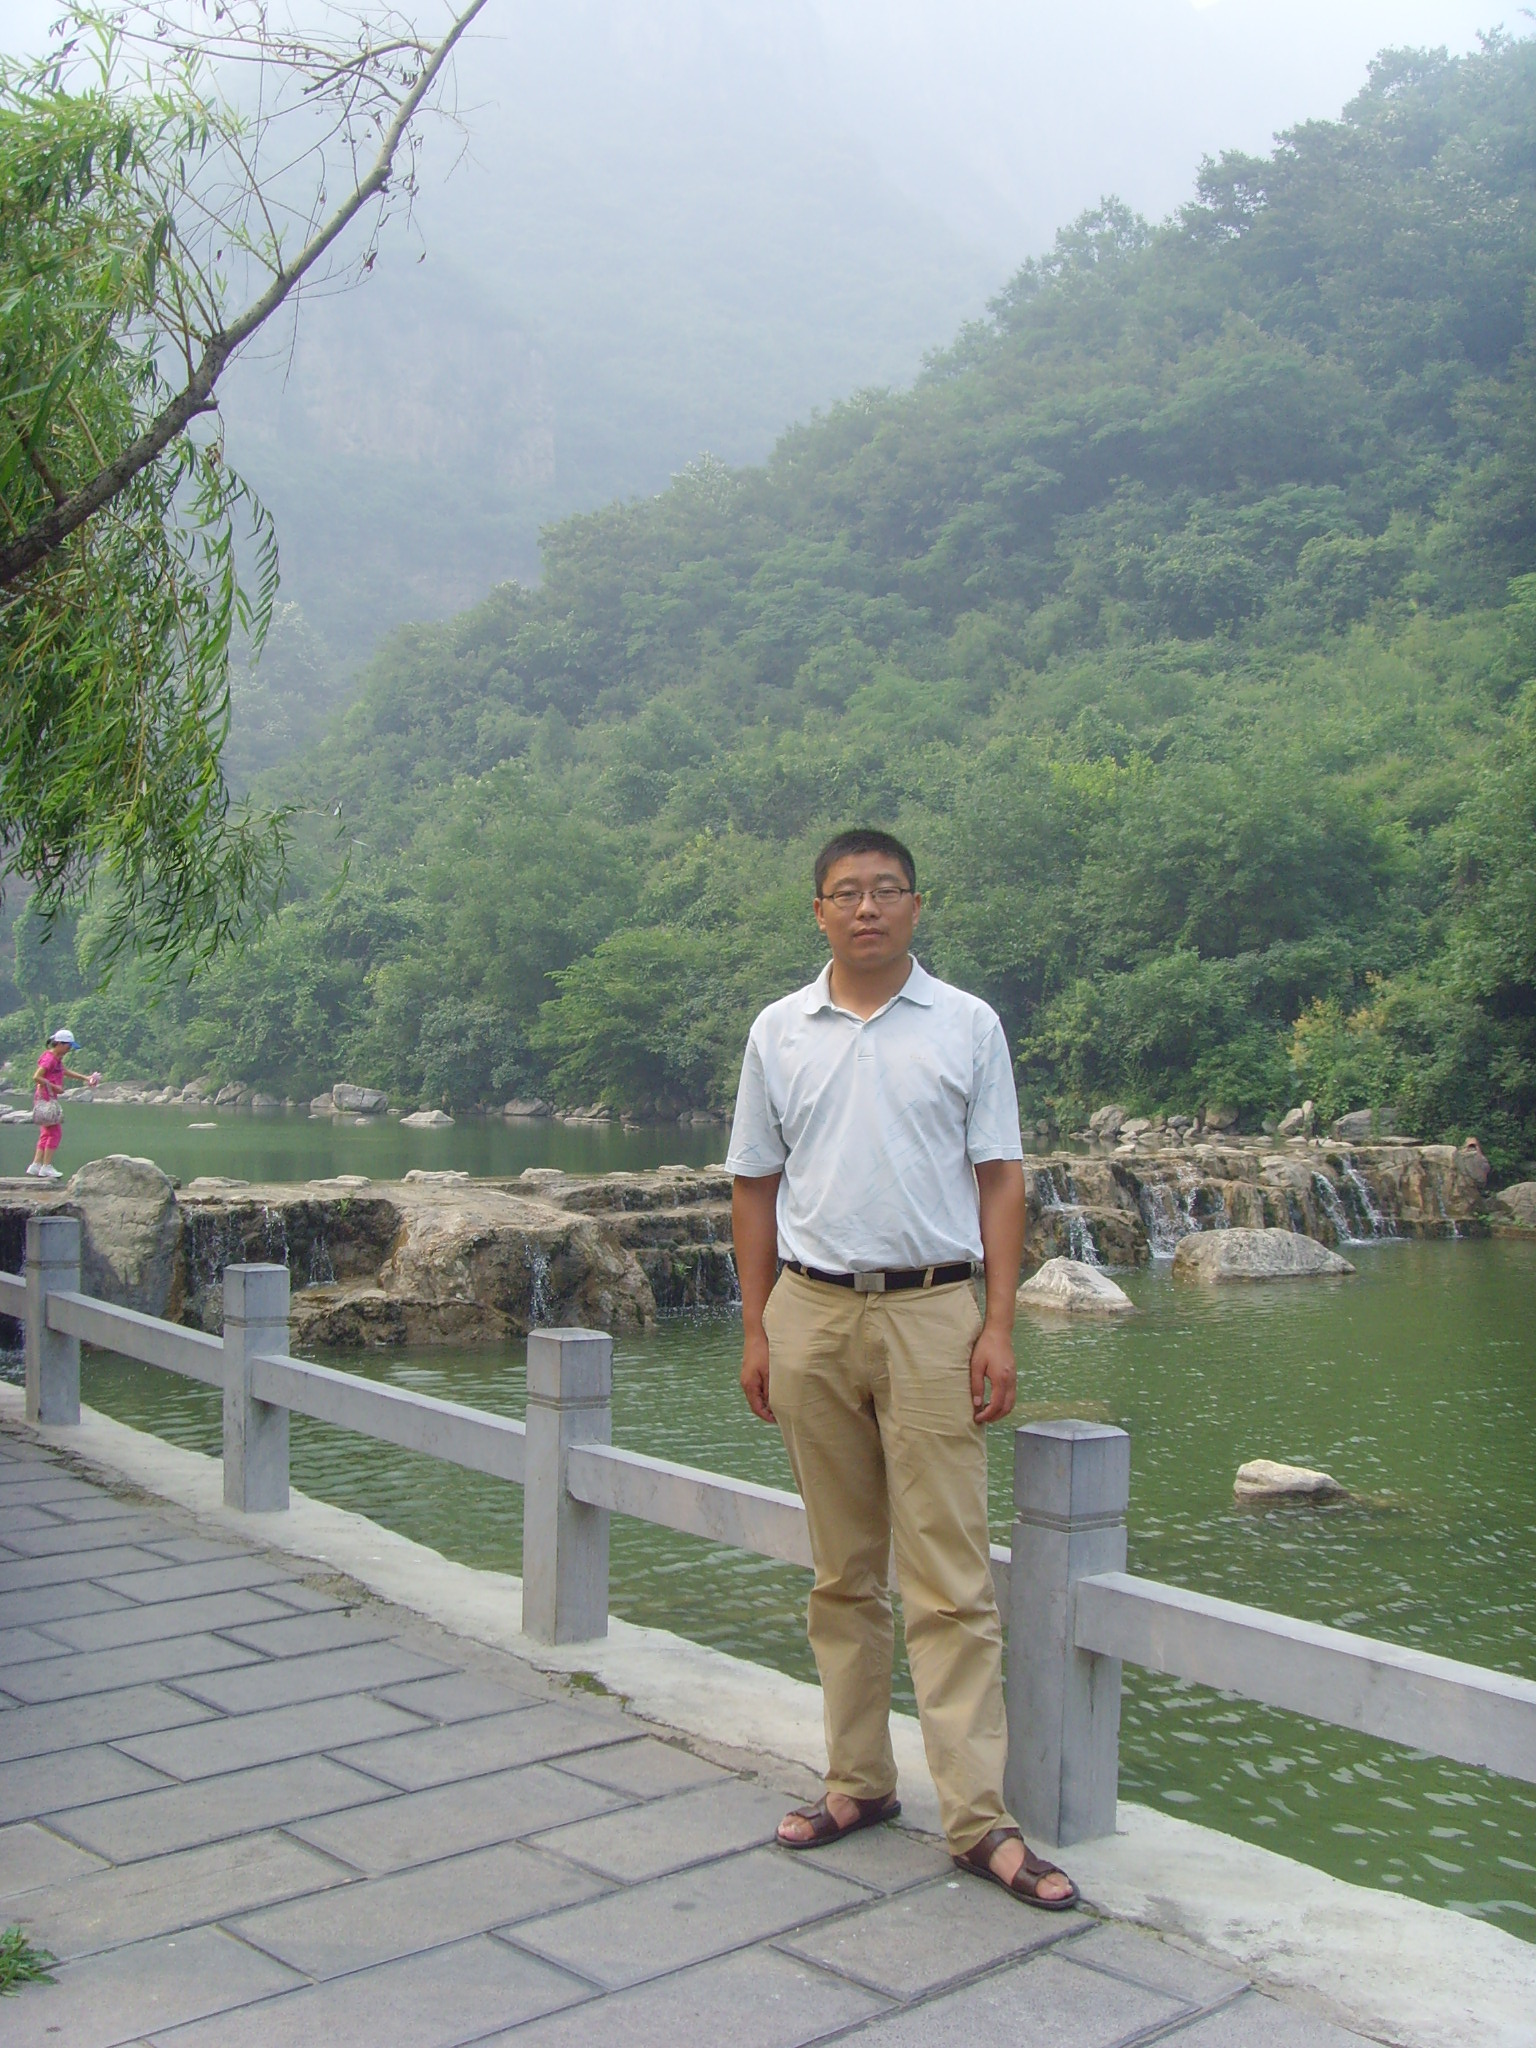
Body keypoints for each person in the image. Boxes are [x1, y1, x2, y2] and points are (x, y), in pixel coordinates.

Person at [727, 827, 1078, 1909]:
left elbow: (1001, 1176)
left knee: (951, 1578)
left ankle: (978, 1820)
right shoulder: (779, 1030)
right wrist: (758, 1329)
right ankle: (858, 1782)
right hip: (811, 1310)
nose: (867, 907)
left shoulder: (967, 1023)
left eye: (887, 890)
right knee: (841, 1571)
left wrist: (998, 1323)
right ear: (819, 911)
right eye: (846, 892)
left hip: (933, 1312)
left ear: (917, 906)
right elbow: (753, 1185)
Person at [27, 1029, 100, 1180]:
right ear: (59, 1044)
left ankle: (36, 1165)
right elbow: (37, 1077)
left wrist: (85, 1078)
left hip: (45, 1097)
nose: (69, 1049)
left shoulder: (55, 1059)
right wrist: (55, 1087)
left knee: (46, 1133)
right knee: (55, 1133)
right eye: (68, 1046)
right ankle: (46, 1166)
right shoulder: (50, 1059)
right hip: (46, 1098)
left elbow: (64, 1071)